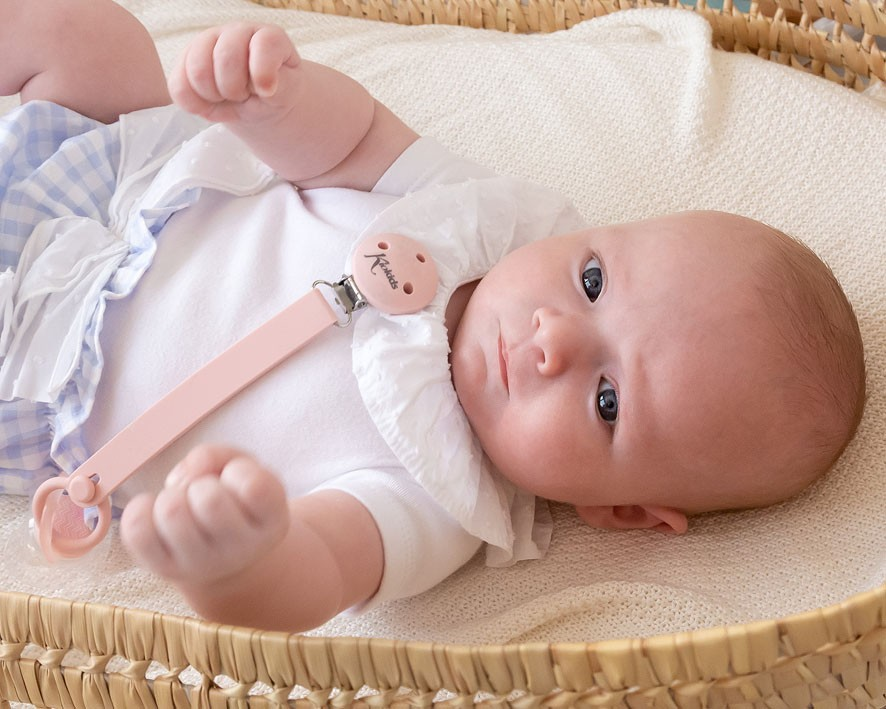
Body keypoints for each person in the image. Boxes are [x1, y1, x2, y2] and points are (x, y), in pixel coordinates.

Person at [0, 1, 865, 632]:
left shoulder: (437, 499)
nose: (553, 339)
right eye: (594, 280)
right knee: (83, 33)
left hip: (38, 373)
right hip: (116, 194)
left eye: (607, 401)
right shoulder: (472, 219)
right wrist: (274, 101)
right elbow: (352, 142)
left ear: (624, 511)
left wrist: (244, 559)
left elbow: (320, 567)